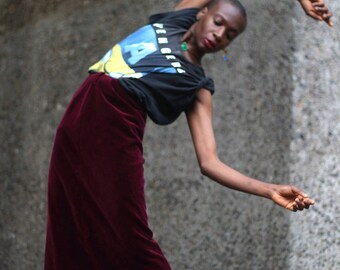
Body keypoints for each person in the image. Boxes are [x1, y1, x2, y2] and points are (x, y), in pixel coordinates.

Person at [44, 0, 333, 269]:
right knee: (68, 216)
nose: (220, 34)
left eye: (230, 35)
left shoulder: (197, 84)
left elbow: (209, 162)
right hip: (81, 113)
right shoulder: (176, 20)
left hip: (117, 128)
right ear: (202, 12)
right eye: (218, 22)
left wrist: (269, 190)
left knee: (128, 230)